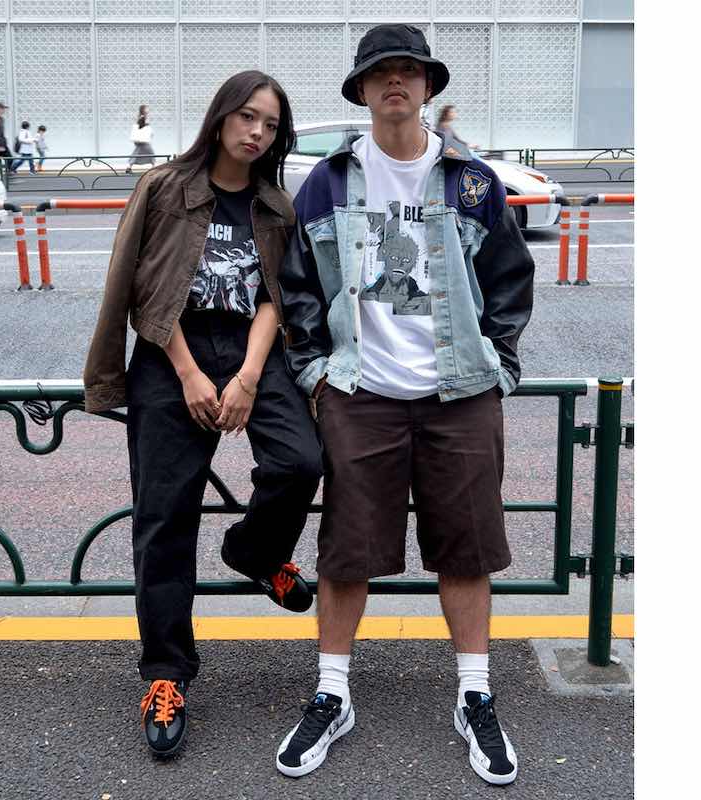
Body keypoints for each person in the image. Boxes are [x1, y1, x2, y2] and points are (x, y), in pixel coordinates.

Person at [275, 24, 535, 786]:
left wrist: (499, 366)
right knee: (345, 551)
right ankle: (332, 694)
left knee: (468, 547)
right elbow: (297, 285)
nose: (396, 81)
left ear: (428, 87)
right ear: (362, 90)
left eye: (409, 70)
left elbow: (510, 277)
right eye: (381, 71)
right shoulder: (328, 182)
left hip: (460, 394)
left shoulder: (471, 181)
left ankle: (475, 695)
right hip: (362, 393)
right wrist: (317, 374)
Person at [83, 70, 323, 760]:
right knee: (164, 516)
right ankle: (166, 673)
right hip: (172, 351)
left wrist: (246, 376)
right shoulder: (164, 188)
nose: (257, 133)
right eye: (248, 117)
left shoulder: (276, 205)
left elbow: (277, 296)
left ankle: (255, 552)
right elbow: (140, 287)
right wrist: (189, 374)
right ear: (220, 118)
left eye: (270, 125)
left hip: (250, 349)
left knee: (301, 460)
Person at [125, 104, 156, 173]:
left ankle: (129, 167)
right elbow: (144, 128)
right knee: (151, 153)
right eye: (147, 110)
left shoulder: (140, 117)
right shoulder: (143, 118)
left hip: (140, 141)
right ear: (143, 110)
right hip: (144, 141)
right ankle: (154, 167)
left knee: (136, 154)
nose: (148, 111)